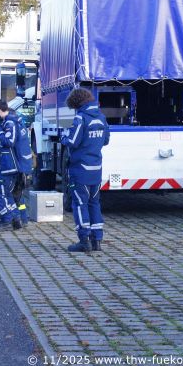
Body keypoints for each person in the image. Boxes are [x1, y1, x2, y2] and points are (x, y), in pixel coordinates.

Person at [60, 88, 110, 253]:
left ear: (76, 103)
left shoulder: (80, 119)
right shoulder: (101, 118)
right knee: (94, 203)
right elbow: (106, 140)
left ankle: (83, 240)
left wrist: (63, 136)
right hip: (96, 169)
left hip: (80, 169)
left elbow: (72, 142)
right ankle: (97, 240)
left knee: (80, 204)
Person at [0, 99, 33, 232]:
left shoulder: (9, 123)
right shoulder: (18, 121)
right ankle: (18, 219)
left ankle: (9, 219)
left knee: (1, 192)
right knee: (14, 194)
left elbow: (9, 142)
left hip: (10, 166)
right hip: (19, 165)